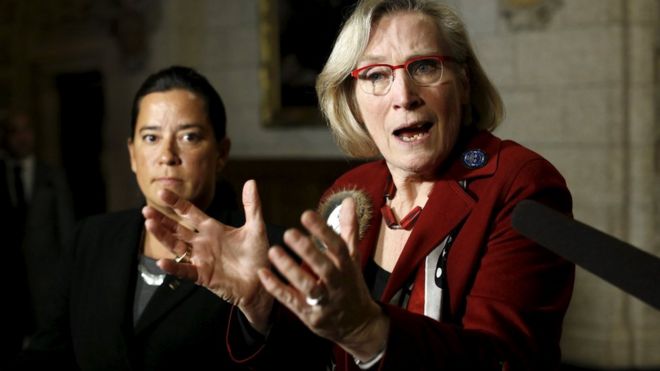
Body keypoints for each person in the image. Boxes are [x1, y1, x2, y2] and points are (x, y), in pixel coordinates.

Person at [144, 1, 575, 370]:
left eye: (424, 66)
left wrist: (368, 331)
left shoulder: (519, 184)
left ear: (463, 84)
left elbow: (508, 361)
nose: (403, 94)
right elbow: (312, 355)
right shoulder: (351, 192)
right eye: (376, 75)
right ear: (352, 100)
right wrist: (260, 303)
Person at [14, 66, 281, 370]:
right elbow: (47, 353)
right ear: (132, 154)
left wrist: (259, 312)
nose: (167, 154)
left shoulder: (267, 252)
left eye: (189, 136)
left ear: (221, 152)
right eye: (151, 137)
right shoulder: (91, 238)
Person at [0, 111, 75, 366]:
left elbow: (66, 229)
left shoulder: (52, 175)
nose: (20, 138)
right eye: (13, 131)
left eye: (25, 130)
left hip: (45, 281)